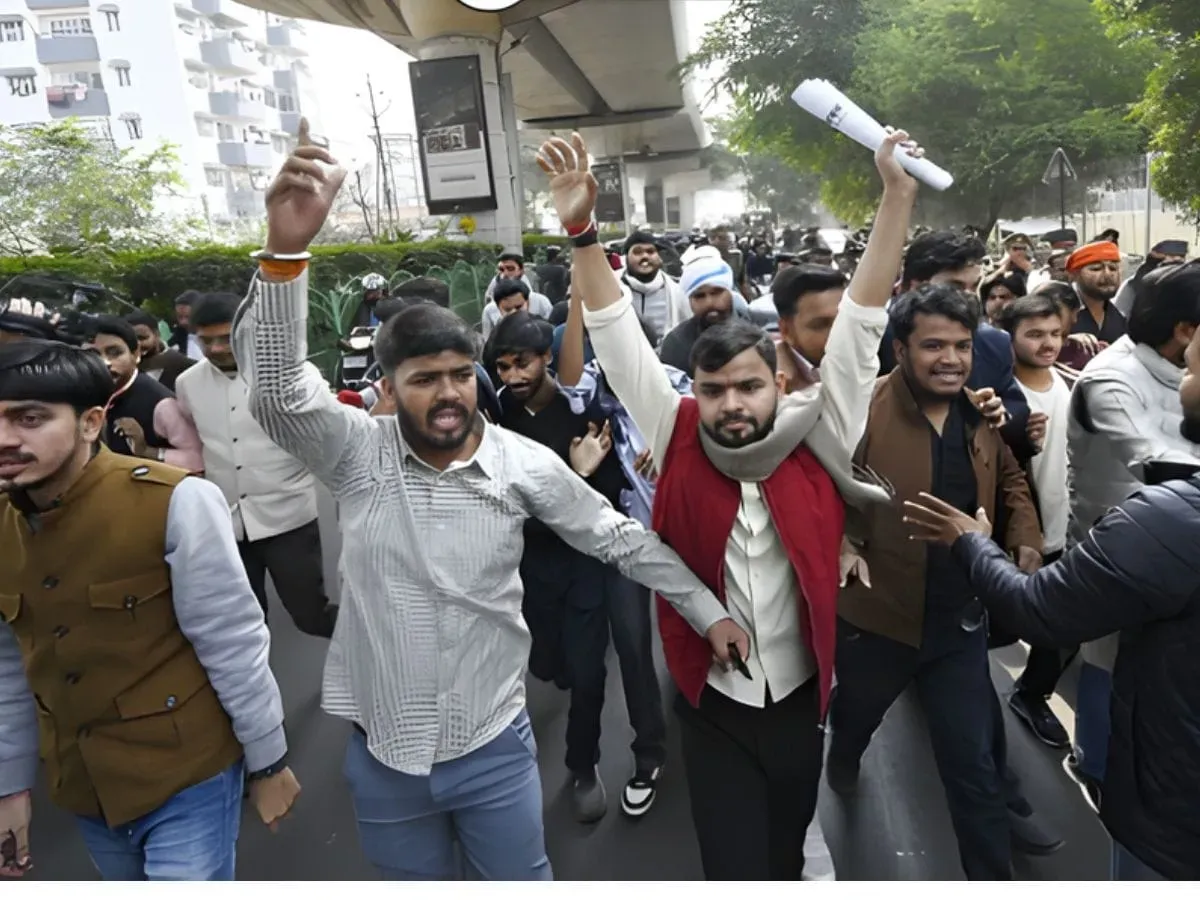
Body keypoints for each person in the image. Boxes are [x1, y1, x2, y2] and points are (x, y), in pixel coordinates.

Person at [231, 118, 730, 881]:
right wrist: (285, 250)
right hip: (385, 760)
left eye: (460, 375)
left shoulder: (520, 464)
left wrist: (707, 610)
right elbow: (275, 389)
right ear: (389, 390)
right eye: (424, 378)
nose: (447, 394)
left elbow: (617, 538)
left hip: (495, 752)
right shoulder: (356, 454)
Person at [538, 127, 914, 879]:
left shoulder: (820, 424)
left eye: (749, 387)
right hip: (711, 708)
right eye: (714, 391)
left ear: (779, 380)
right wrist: (583, 232)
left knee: (783, 855)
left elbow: (862, 321)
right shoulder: (675, 431)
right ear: (695, 395)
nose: (733, 405)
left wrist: (896, 196)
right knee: (734, 866)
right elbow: (617, 337)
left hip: (803, 700)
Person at [902, 292, 1200, 880]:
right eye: (933, 345)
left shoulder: (1169, 520)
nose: (1184, 366)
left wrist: (973, 540)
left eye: (1194, 367)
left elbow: (1039, 610)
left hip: (1174, 824)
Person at [0, 340, 298, 881]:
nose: (4, 438)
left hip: (187, 773)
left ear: (92, 423)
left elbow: (234, 642)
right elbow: (8, 667)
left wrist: (269, 762)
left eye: (30, 418)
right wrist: (9, 786)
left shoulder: (174, 501)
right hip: (83, 784)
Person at [830, 284, 1042, 880]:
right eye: (933, 345)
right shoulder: (861, 411)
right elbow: (819, 492)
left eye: (962, 345)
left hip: (959, 624)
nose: (950, 359)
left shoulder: (980, 413)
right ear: (899, 348)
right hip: (879, 619)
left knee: (973, 769)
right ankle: (843, 757)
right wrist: (841, 543)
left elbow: (1010, 482)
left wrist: (1024, 536)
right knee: (855, 721)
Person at [174, 293, 338, 639]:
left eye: (225, 338)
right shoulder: (188, 383)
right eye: (205, 341)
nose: (216, 348)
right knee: (246, 620)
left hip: (288, 517)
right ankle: (256, 688)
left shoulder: (289, 375)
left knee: (310, 614)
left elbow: (330, 428)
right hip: (227, 521)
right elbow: (194, 436)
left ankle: (374, 654)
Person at [84, 316, 204, 473]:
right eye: (93, 355)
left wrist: (147, 452)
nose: (104, 362)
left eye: (115, 353)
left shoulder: (162, 404)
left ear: (136, 355)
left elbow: (196, 459)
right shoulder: (85, 392)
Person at [124, 310, 196, 393]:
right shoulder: (124, 369)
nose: (137, 344)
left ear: (157, 334)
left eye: (142, 338)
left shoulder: (183, 364)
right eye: (131, 339)